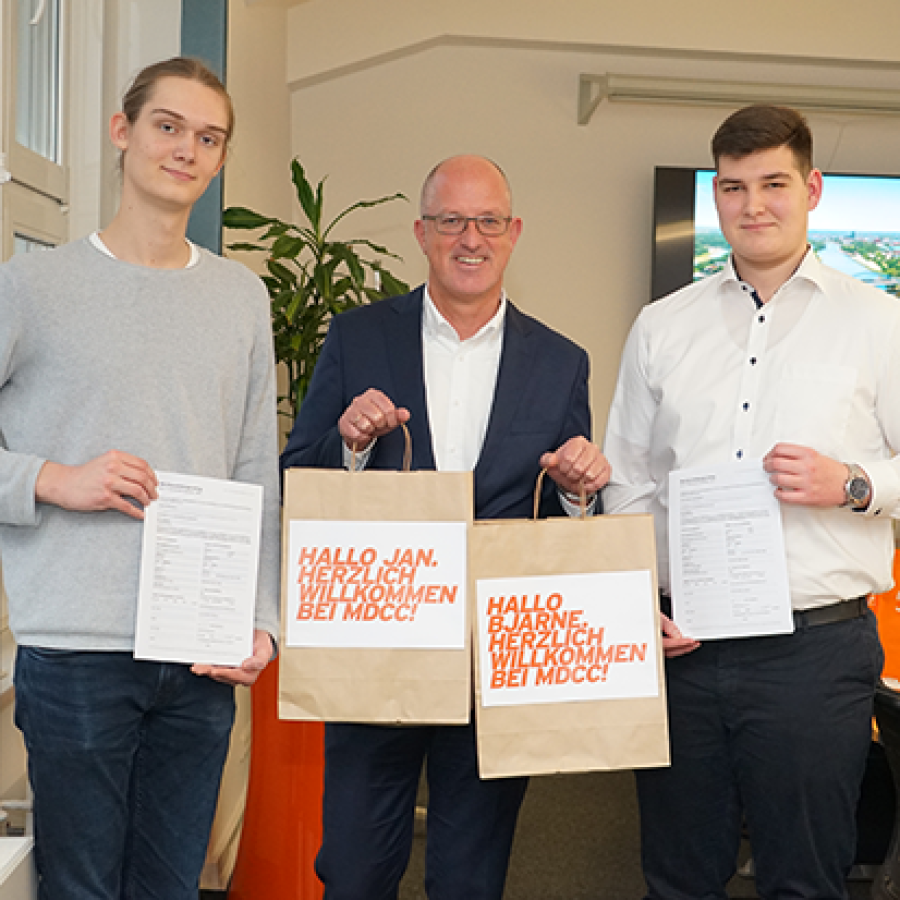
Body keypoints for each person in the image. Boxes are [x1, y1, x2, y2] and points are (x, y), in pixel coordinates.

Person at [280, 154, 610, 900]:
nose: (471, 237)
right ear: (422, 233)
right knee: (355, 871)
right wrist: (350, 445)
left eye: (488, 220)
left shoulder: (561, 361)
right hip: (375, 639)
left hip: (497, 652)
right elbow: (298, 472)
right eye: (452, 220)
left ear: (514, 232)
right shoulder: (358, 336)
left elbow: (563, 519)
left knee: (471, 877)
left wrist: (579, 492)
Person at [0, 57, 280, 899]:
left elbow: (253, 467)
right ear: (122, 133)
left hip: (198, 651)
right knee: (80, 887)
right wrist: (52, 479)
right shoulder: (31, 286)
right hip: (76, 650)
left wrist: (261, 619)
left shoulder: (241, 297)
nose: (186, 149)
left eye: (209, 138)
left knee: (171, 886)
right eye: (168, 126)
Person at [604, 104, 897, 900]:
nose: (753, 205)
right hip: (682, 646)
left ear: (813, 189)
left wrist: (854, 483)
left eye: (774, 184)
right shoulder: (662, 327)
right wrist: (635, 596)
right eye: (733, 187)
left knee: (804, 878)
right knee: (677, 876)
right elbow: (628, 479)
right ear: (716, 196)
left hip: (813, 654)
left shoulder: (880, 323)